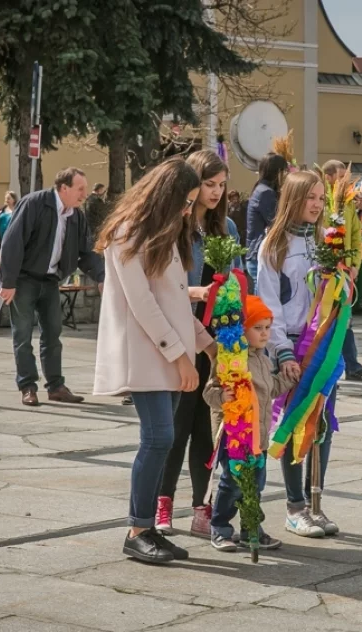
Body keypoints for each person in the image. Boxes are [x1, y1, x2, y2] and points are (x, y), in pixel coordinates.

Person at [93, 156, 215, 564]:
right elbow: (142, 303)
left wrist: (206, 343)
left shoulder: (165, 234)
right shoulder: (128, 233)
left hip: (170, 354)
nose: (187, 210)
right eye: (185, 201)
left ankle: (146, 528)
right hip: (148, 356)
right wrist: (183, 358)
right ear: (166, 195)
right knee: (159, 438)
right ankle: (138, 529)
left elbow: (174, 301)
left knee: (162, 440)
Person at [154, 149, 242, 538]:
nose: (215, 193)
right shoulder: (177, 227)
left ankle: (201, 507)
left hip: (218, 340)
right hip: (182, 335)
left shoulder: (229, 230)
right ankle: (162, 504)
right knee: (175, 426)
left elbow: (237, 283)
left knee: (210, 428)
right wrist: (198, 291)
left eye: (221, 186)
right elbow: (165, 287)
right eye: (209, 184)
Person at [257, 170, 334, 538]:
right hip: (290, 347)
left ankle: (316, 502)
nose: (317, 205)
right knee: (294, 423)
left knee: (322, 424)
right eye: (311, 198)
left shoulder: (325, 242)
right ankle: (295, 506)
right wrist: (283, 352)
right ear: (293, 199)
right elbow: (268, 303)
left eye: (321, 197)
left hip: (324, 345)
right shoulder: (274, 246)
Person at [0, 168, 105, 407]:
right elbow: (12, 242)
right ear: (63, 188)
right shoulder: (34, 204)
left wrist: (102, 277)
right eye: (80, 189)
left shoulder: (76, 216)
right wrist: (8, 282)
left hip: (50, 280)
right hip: (25, 279)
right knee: (23, 335)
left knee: (53, 335)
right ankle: (27, 386)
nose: (84, 195)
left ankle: (56, 387)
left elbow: (86, 252)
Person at [204, 294, 297, 552]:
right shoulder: (230, 358)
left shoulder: (262, 358)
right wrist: (222, 397)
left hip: (260, 436)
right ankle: (220, 528)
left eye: (268, 327)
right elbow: (209, 393)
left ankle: (250, 529)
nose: (265, 333)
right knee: (232, 483)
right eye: (258, 327)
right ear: (241, 328)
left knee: (256, 484)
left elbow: (271, 389)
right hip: (234, 435)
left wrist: (289, 379)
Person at [321, 160, 362, 383]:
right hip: (325, 269)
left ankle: (352, 366)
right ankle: (331, 366)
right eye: (341, 177)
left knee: (346, 319)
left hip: (346, 270)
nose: (346, 182)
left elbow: (355, 235)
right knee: (328, 321)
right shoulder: (322, 202)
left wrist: (354, 263)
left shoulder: (349, 203)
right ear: (329, 178)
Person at [245, 153, 289, 288]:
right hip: (259, 256)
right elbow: (278, 222)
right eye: (285, 171)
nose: (287, 175)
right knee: (263, 304)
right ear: (278, 172)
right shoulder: (266, 193)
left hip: (256, 254)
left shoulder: (262, 189)